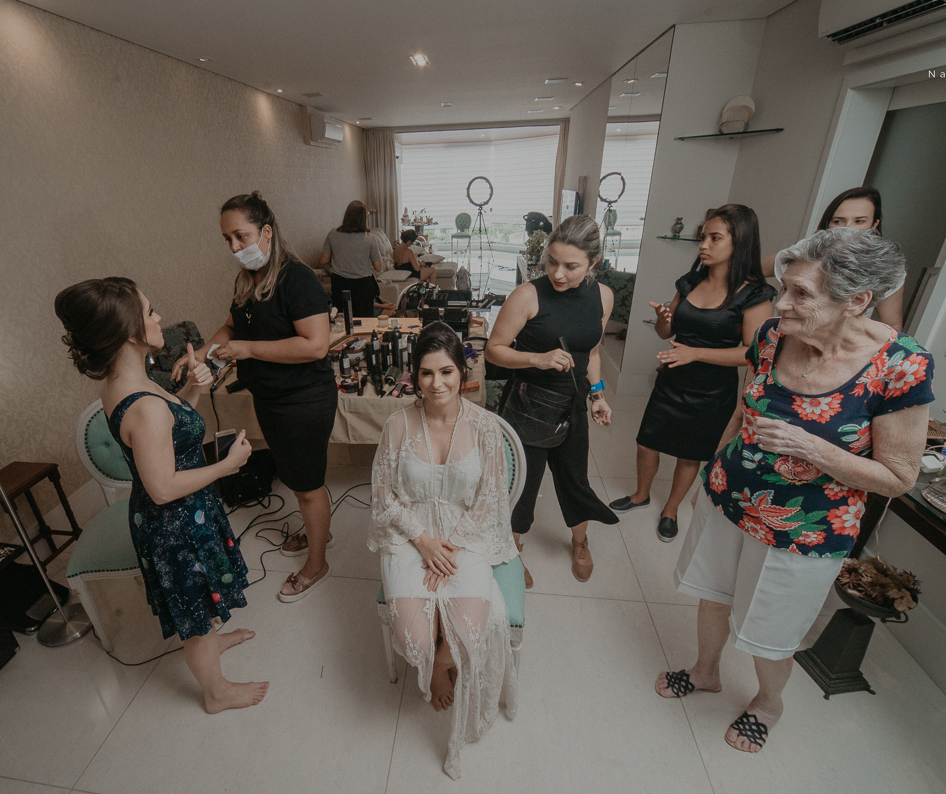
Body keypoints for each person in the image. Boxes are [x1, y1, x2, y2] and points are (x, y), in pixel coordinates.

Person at [655, 228, 934, 753]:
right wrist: (715, 470)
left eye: (800, 293)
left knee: (771, 627)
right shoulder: (772, 335)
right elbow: (745, 409)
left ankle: (767, 702)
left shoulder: (901, 366)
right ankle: (706, 669)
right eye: (783, 287)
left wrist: (814, 448)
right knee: (712, 597)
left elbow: (900, 477)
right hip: (728, 497)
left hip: (806, 526)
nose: (780, 302)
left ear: (857, 301)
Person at [55, 278, 266, 713]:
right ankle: (215, 692)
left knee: (203, 603)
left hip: (182, 516)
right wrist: (228, 466)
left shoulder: (128, 383)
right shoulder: (144, 405)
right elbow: (163, 486)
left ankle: (212, 642)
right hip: (176, 525)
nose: (159, 318)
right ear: (130, 332)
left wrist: (194, 387)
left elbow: (167, 433)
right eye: (150, 312)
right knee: (195, 619)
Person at [370, 321, 518, 779]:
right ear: (413, 375)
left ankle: (446, 659)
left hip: (465, 538)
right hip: (410, 536)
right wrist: (423, 541)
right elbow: (383, 496)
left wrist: (447, 549)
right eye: (427, 373)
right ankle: (433, 656)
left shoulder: (486, 427)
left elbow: (490, 498)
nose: (437, 384)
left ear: (462, 373)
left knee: (467, 636)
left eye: (447, 372)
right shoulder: (397, 424)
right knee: (410, 640)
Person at [175, 191, 337, 603]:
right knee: (298, 478)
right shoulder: (249, 279)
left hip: (303, 400)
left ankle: (317, 563)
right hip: (271, 397)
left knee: (307, 485)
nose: (233, 248)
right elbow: (231, 327)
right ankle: (321, 532)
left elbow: (316, 345)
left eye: (240, 236)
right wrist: (204, 356)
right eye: (227, 239)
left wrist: (248, 350)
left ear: (266, 232)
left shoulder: (298, 279)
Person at [609, 204, 775, 542]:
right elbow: (662, 332)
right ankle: (641, 495)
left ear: (739, 243)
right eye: (703, 238)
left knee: (689, 454)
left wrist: (695, 352)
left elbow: (751, 352)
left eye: (715, 238)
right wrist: (664, 320)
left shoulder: (755, 294)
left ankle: (670, 510)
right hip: (672, 380)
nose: (704, 245)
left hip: (712, 391)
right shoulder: (689, 282)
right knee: (646, 443)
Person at [485, 215, 618, 587]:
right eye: (552, 262)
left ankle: (580, 541)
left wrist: (597, 395)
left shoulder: (602, 296)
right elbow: (493, 351)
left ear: (593, 262)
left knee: (576, 478)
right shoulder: (528, 295)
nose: (558, 274)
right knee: (522, 485)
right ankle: (511, 554)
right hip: (528, 403)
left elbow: (590, 352)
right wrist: (536, 358)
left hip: (573, 402)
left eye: (571, 266)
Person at [760, 186, 905, 331]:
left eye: (859, 221)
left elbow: (892, 325)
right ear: (827, 224)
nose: (848, 228)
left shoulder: (887, 269)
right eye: (838, 221)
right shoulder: (801, 255)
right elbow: (750, 272)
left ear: (874, 225)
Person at [321, 199, 382, 324]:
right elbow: (378, 267)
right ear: (363, 218)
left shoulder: (333, 234)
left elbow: (324, 260)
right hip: (363, 285)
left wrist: (334, 269)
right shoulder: (370, 238)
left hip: (340, 283)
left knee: (342, 320)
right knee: (364, 321)